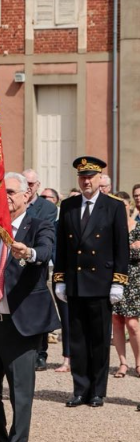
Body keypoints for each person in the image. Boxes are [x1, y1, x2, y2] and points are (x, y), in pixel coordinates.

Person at [0, 173, 60, 442]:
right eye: (2, 193)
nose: (6, 197)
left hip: (21, 325)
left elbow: (46, 251)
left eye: (11, 192)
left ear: (26, 196)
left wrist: (30, 253)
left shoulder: (39, 225)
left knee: (20, 395)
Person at [54, 156, 129, 408]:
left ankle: (97, 390)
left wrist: (118, 281)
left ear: (100, 179)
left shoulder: (114, 206)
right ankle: (80, 389)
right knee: (77, 339)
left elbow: (122, 247)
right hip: (75, 281)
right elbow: (62, 246)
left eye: (90, 176)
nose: (86, 181)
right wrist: (60, 279)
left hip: (101, 282)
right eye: (82, 177)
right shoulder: (69, 206)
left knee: (98, 339)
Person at [22, 170, 58, 372]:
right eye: (25, 183)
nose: (28, 187)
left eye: (31, 184)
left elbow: (41, 230)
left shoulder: (47, 207)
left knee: (37, 306)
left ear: (37, 185)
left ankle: (40, 352)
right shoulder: (11, 203)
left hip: (37, 263)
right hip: (12, 263)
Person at [111, 191, 140, 378]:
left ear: (129, 205)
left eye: (122, 206)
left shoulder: (138, 226)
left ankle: (139, 362)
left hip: (135, 279)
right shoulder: (112, 230)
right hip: (115, 278)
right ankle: (123, 362)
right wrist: (132, 248)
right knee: (116, 320)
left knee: (132, 323)